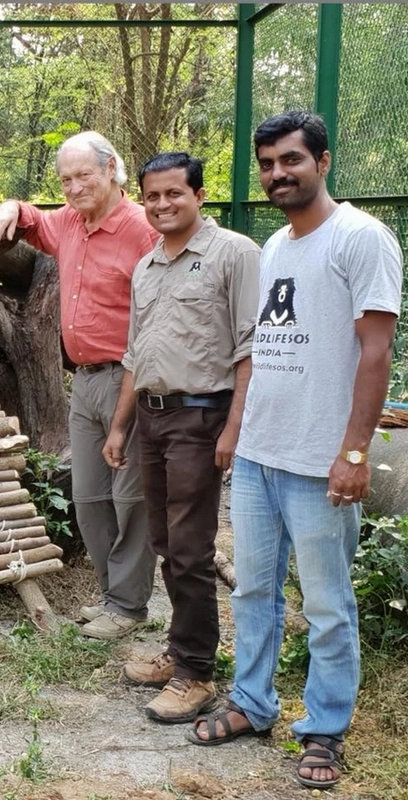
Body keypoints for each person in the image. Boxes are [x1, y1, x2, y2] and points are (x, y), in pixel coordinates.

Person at [185, 111, 402, 792]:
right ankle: (253, 703)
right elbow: (260, 352)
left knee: (328, 604)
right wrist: (238, 435)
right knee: (253, 591)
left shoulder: (361, 238)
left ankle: (325, 729)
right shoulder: (274, 246)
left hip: (320, 463)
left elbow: (376, 350)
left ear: (324, 161)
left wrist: (355, 454)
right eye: (269, 164)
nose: (279, 174)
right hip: (258, 457)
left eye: (291, 160)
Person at [102, 152, 260, 723]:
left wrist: (233, 428)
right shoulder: (148, 267)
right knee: (167, 542)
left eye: (174, 193)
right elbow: (134, 355)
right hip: (153, 417)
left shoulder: (234, 254)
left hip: (201, 418)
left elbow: (250, 348)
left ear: (199, 194)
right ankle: (180, 650)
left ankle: (196, 673)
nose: (163, 204)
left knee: (191, 549)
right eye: (153, 196)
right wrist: (121, 425)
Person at [0, 131, 159, 639]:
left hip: (131, 378)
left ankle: (128, 607)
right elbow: (33, 219)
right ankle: (113, 598)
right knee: (88, 496)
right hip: (82, 381)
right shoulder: (68, 222)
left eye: (84, 174)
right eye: (65, 178)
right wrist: (10, 205)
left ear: (111, 169)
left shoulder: (142, 228)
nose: (74, 186)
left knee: (131, 499)